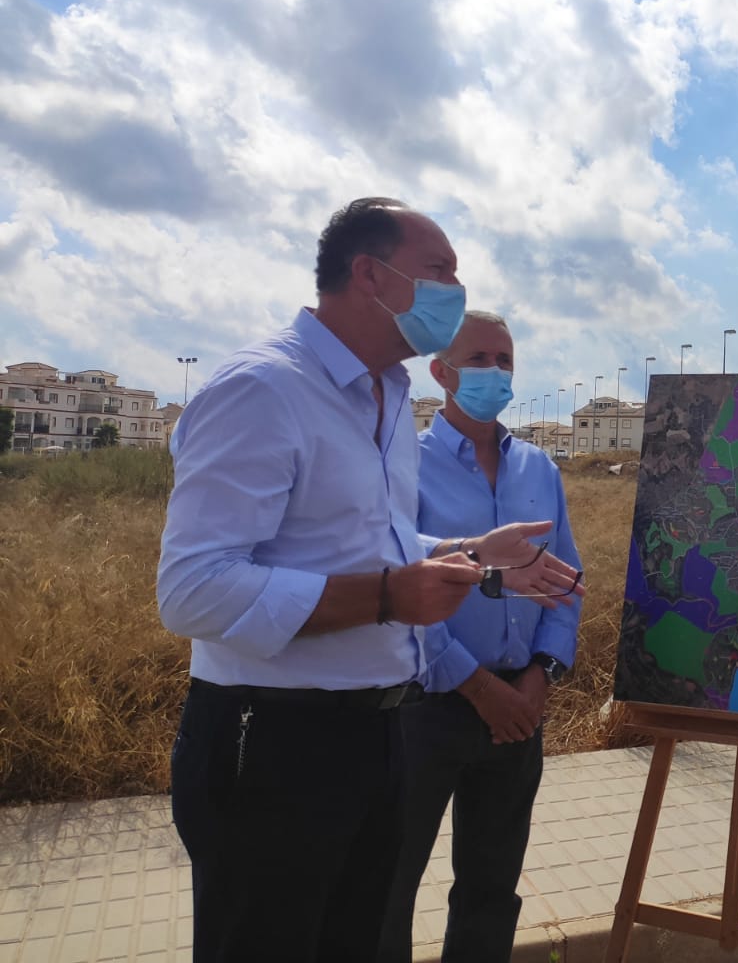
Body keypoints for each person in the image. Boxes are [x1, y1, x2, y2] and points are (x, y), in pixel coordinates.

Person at [158, 198, 582, 963]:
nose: (456, 290)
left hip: (378, 731)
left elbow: (373, 544)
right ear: (369, 275)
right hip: (276, 743)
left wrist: (474, 552)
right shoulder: (263, 389)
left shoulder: (384, 397)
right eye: (440, 271)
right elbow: (193, 589)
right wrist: (388, 599)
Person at [380, 311, 583, 962]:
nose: (496, 373)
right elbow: (400, 582)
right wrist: (475, 686)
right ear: (440, 372)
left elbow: (566, 583)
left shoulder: (539, 469)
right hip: (426, 709)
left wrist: (539, 677)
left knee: (492, 890)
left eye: (506, 360)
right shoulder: (403, 462)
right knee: (388, 888)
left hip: (520, 711)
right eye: (480, 359)